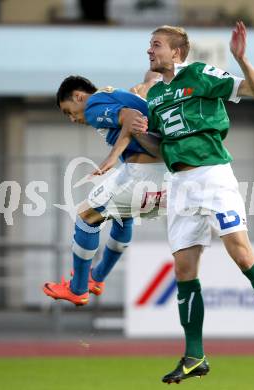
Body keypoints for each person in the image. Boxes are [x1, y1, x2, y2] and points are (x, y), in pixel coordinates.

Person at [104, 21, 254, 384]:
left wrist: (241, 57)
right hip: (179, 183)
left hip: (212, 176)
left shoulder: (198, 74)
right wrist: (140, 134)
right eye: (150, 45)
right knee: (182, 271)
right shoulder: (157, 98)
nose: (150, 50)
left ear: (176, 52)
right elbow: (161, 148)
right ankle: (195, 356)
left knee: (241, 253)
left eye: (157, 45)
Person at [43, 74, 167, 306]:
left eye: (68, 111)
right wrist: (152, 77)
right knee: (122, 218)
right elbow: (142, 91)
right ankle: (96, 279)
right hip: (168, 180)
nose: (71, 118)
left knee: (85, 218)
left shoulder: (93, 106)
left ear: (78, 96)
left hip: (142, 175)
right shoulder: (119, 94)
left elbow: (132, 117)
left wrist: (111, 157)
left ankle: (78, 288)